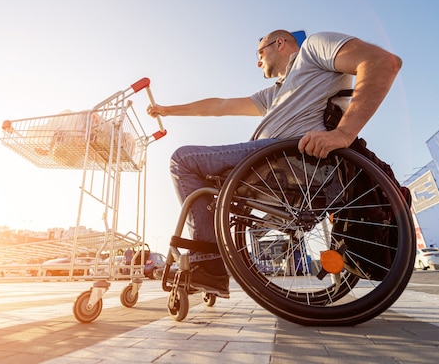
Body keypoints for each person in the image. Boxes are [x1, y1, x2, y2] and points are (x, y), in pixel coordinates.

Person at [147, 30, 402, 297]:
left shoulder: (313, 50)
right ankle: (208, 262)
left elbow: (382, 62)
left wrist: (343, 133)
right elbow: (220, 105)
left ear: (280, 43)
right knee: (205, 180)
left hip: (291, 159)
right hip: (272, 167)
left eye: (260, 53)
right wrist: (168, 110)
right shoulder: (275, 93)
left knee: (184, 161)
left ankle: (209, 264)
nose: (258, 62)